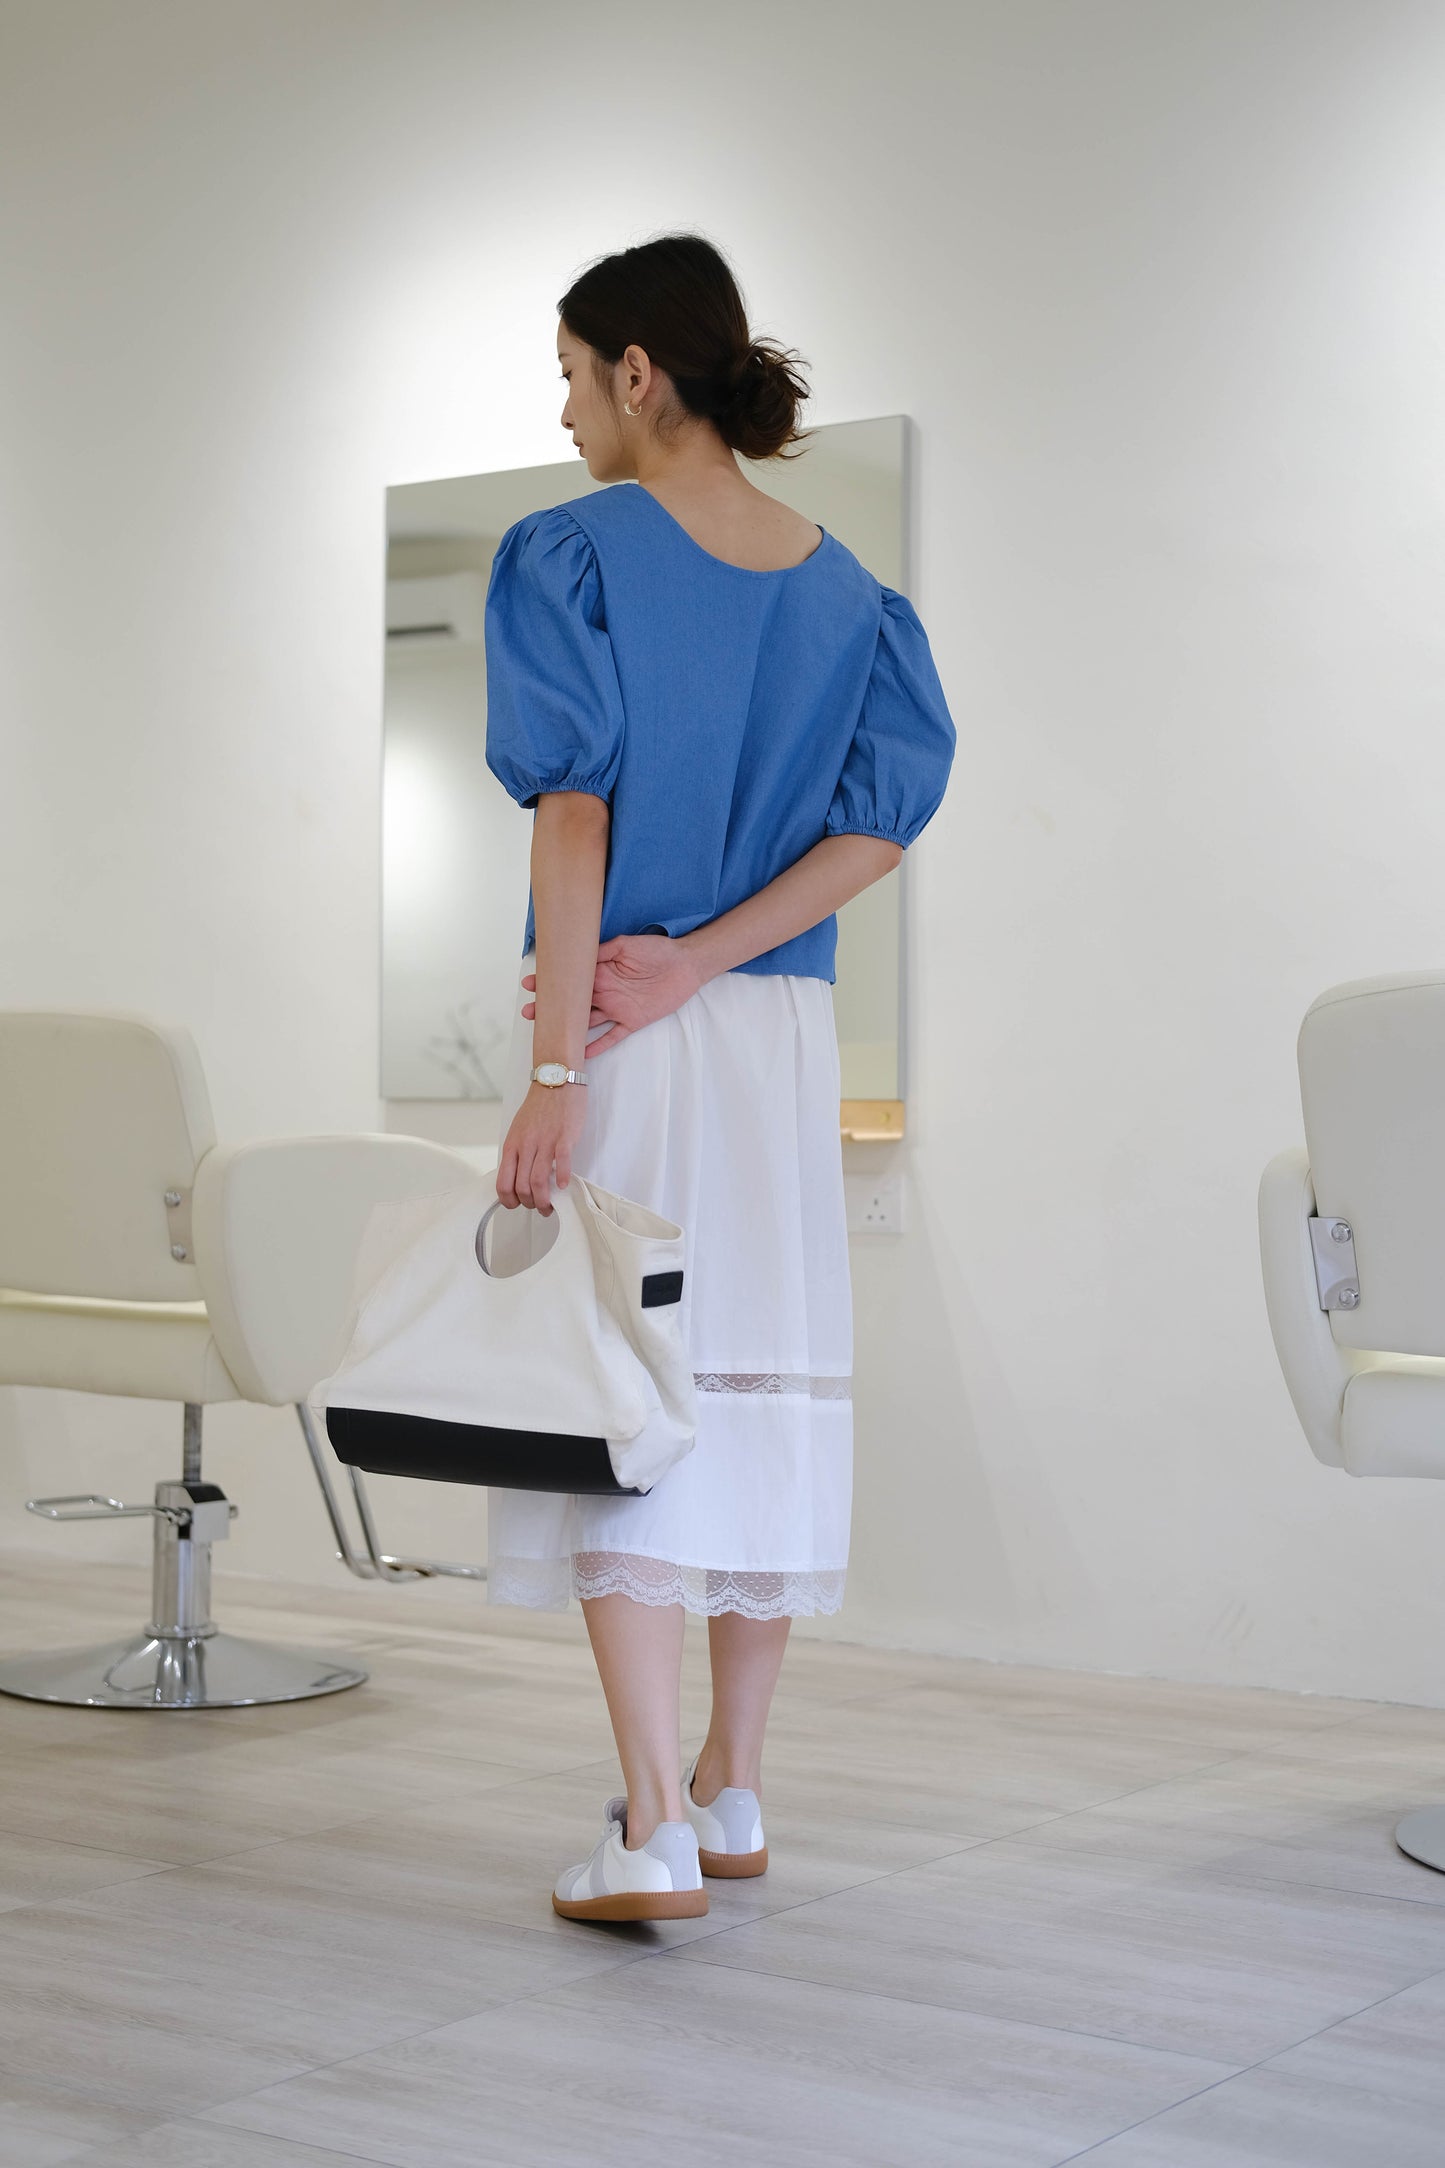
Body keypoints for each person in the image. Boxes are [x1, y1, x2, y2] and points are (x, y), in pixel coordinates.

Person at [481, 231, 956, 1923]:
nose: (562, 413)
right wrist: (715, 956)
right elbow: (871, 837)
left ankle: (647, 1827)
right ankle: (733, 1794)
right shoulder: (852, 596)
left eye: (568, 373)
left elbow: (575, 815)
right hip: (773, 1035)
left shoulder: (573, 556)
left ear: (636, 371)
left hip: (627, 1023)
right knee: (754, 1386)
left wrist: (560, 1056)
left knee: (626, 1401)